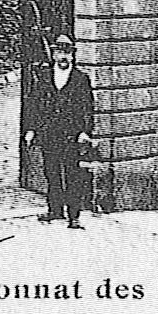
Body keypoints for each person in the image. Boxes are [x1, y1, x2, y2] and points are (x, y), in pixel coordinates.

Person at [23, 34, 94, 229]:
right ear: (53, 55)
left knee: (73, 174)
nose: (64, 57)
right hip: (49, 134)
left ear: (72, 56)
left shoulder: (81, 79)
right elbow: (34, 105)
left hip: (72, 135)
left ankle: (74, 215)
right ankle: (55, 210)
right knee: (51, 172)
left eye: (67, 53)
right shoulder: (44, 77)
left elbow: (87, 108)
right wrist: (30, 129)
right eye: (60, 52)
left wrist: (85, 132)